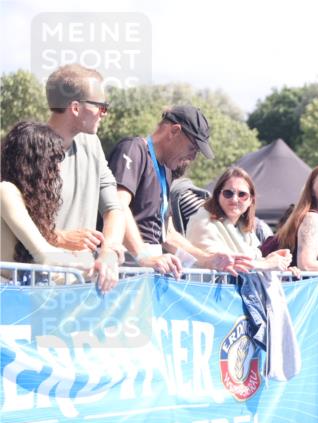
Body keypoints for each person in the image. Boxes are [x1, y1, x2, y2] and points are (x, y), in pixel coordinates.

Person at [107, 105, 253, 277]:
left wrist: (207, 259)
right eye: (193, 148)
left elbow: (167, 233)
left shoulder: (166, 169)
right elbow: (118, 205)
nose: (192, 157)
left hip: (144, 268)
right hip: (122, 267)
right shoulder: (133, 149)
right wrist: (143, 256)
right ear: (174, 131)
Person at [45, 64, 125, 292]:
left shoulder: (92, 144)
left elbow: (114, 209)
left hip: (81, 289)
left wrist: (109, 251)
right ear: (76, 108)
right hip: (31, 291)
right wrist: (59, 238)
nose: (104, 113)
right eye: (101, 106)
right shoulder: (26, 147)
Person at [1, 121, 94, 274]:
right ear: (33, 162)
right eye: (53, 160)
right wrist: (91, 264)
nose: (58, 168)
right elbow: (45, 256)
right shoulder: (6, 191)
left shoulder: (26, 201)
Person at [185, 166, 292, 270]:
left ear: (251, 200)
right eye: (228, 193)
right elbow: (218, 262)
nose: (234, 199)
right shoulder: (203, 220)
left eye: (242, 195)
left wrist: (276, 261)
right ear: (218, 195)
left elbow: (255, 261)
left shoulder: (246, 230)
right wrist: (267, 264)